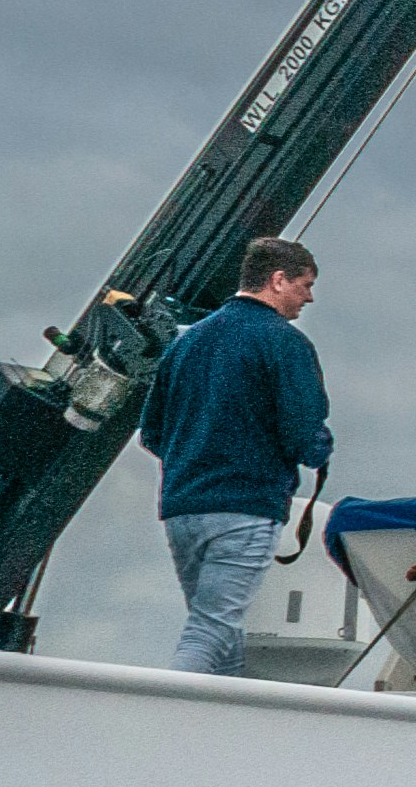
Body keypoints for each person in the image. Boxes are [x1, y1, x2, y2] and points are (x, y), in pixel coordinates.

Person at [135, 237, 330, 674]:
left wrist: (197, 454)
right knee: (210, 629)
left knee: (224, 637)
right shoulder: (285, 343)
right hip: (244, 507)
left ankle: (219, 734)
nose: (309, 296)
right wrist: (320, 450)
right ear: (278, 281)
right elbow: (303, 430)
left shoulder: (185, 344)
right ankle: (158, 718)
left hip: (183, 509)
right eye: (305, 284)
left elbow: (151, 433)